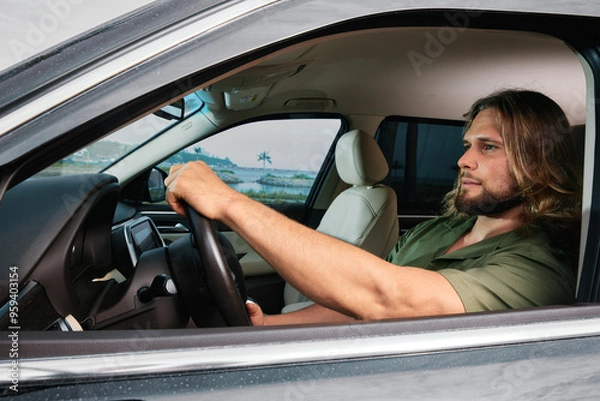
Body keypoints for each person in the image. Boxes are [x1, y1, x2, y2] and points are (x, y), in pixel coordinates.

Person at [164, 89, 582, 326]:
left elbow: (387, 299)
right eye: (466, 145)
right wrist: (271, 326)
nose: (463, 161)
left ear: (536, 163)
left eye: (487, 148)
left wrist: (229, 201)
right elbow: (354, 304)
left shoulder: (539, 267)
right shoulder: (437, 231)